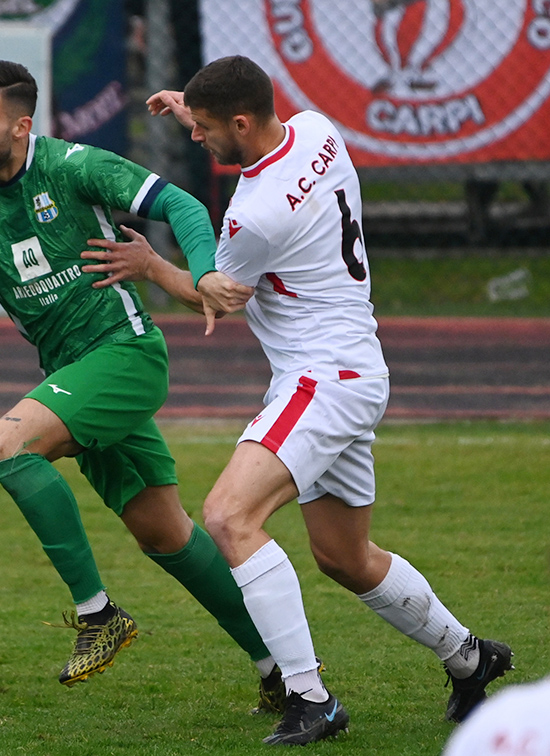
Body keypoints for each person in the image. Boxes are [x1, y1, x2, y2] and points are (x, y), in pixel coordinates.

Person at [80, 55, 512, 744]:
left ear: (242, 122)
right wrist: (194, 105)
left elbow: (216, 297)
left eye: (207, 129)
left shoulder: (253, 216)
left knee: (227, 516)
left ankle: (312, 699)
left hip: (323, 377)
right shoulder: (317, 129)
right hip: (352, 366)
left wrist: (151, 265)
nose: (198, 138)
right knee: (345, 556)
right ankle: (469, 657)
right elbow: (242, 123)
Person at [0, 59, 282, 704]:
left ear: (21, 126)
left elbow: (179, 202)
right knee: (165, 533)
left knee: (6, 444)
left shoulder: (70, 166)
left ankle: (98, 615)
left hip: (124, 353)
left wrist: (201, 272)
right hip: (74, 376)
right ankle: (280, 670)